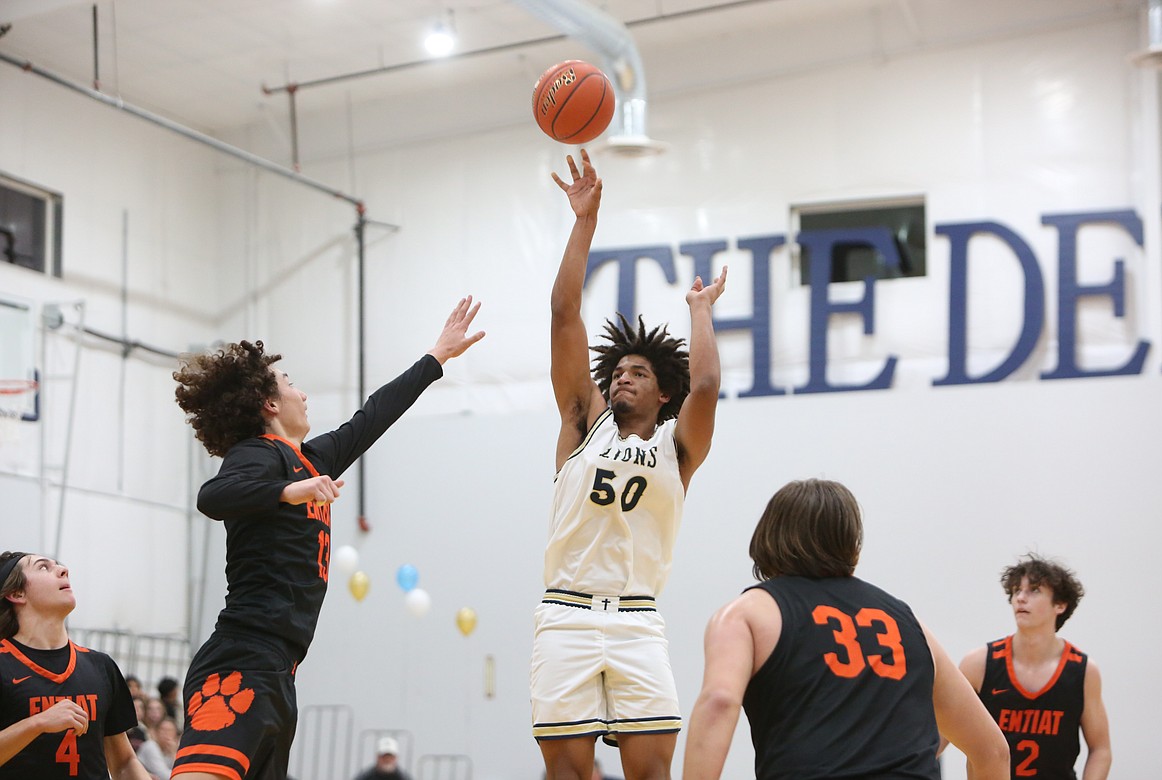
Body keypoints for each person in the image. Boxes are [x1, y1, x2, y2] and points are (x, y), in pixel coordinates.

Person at [169, 296, 484, 780]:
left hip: (281, 667)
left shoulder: (313, 458)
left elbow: (374, 415)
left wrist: (436, 358)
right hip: (242, 656)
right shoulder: (259, 453)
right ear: (269, 404)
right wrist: (291, 491)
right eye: (292, 385)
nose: (303, 394)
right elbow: (214, 495)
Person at [530, 148, 727, 780]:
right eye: (617, 372)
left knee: (650, 773)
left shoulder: (677, 449)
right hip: (565, 613)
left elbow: (707, 388)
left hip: (638, 619)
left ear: (660, 392)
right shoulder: (582, 423)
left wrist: (700, 313)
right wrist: (584, 222)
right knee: (566, 772)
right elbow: (564, 315)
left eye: (638, 373)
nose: (623, 379)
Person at [681, 479, 1010, 780]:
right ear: (851, 540)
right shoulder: (909, 623)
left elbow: (719, 702)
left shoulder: (746, 613)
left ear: (768, 534)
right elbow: (992, 751)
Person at [954, 554, 1111, 779]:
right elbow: (937, 736)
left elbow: (1101, 749)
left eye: (1034, 590)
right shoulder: (978, 664)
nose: (1020, 598)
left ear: (1060, 604)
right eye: (1017, 590)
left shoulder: (1083, 671)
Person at [0, 551, 152, 779]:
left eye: (58, 565)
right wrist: (38, 723)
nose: (63, 570)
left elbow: (123, 762)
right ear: (17, 593)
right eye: (43, 567)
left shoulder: (101, 665)